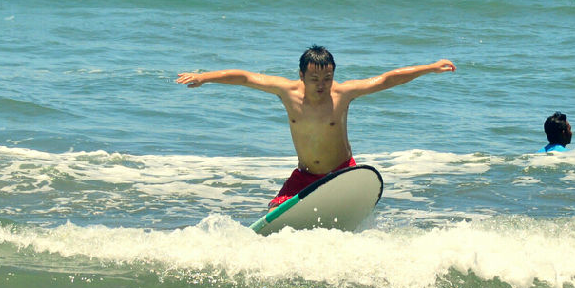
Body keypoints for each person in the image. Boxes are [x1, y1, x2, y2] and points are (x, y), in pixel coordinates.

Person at [177, 46, 456, 208]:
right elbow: (245, 78)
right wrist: (205, 77)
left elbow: (386, 80)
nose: (322, 85)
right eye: (314, 79)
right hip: (305, 176)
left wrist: (429, 68)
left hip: (341, 174)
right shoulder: (286, 92)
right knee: (274, 217)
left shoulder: (343, 93)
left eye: (328, 78)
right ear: (301, 75)